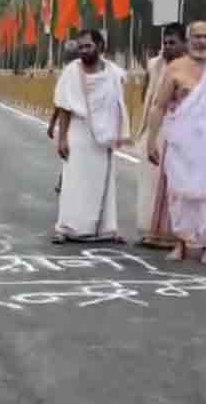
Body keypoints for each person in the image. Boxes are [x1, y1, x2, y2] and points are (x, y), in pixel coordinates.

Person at [146, 21, 206, 266]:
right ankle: (181, 242)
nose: (201, 41)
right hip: (182, 144)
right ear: (188, 41)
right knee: (180, 193)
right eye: (196, 37)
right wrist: (151, 140)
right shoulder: (176, 68)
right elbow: (159, 105)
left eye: (205, 37)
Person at [52, 29, 131, 244]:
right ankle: (65, 228)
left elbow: (117, 104)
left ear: (100, 46)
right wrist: (62, 138)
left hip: (103, 135)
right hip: (78, 131)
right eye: (81, 47)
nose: (84, 50)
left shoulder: (113, 73)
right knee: (73, 180)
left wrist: (117, 132)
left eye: (88, 46)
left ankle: (105, 230)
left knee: (102, 182)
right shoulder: (71, 71)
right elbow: (64, 106)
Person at [134, 24, 187, 249]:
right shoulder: (154, 64)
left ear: (184, 43)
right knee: (151, 180)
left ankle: (175, 234)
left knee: (175, 182)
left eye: (173, 42)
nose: (167, 47)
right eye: (165, 42)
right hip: (156, 127)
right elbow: (148, 94)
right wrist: (146, 130)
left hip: (179, 129)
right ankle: (151, 231)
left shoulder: (191, 67)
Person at [48, 39, 81, 196]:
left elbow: (59, 103)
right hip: (72, 121)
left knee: (70, 153)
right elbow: (60, 102)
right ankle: (65, 180)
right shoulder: (72, 72)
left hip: (76, 122)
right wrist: (53, 121)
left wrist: (52, 122)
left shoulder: (73, 72)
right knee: (70, 153)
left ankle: (66, 181)